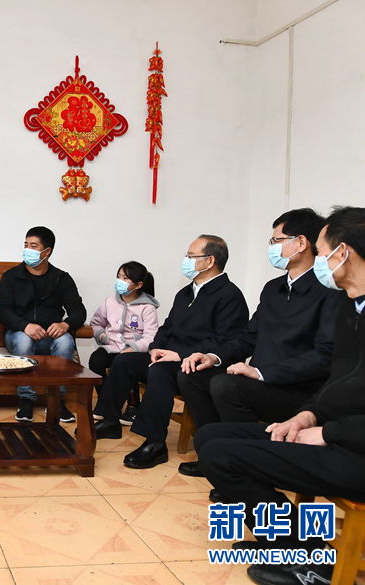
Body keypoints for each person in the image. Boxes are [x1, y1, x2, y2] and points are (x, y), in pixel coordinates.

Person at [196, 206, 365, 585]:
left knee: (223, 454)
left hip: (355, 450)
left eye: (323, 253)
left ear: (344, 252)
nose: (320, 261)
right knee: (210, 437)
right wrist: (307, 416)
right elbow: (339, 382)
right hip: (334, 430)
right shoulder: (353, 310)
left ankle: (313, 562)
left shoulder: (340, 304)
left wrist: (326, 432)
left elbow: (324, 366)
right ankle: (293, 544)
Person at [177, 209, 342, 478]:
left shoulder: (329, 292)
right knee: (193, 374)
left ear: (301, 243)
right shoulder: (273, 288)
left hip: (299, 391)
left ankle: (245, 463)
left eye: (276, 241)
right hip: (262, 383)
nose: (271, 247)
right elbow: (249, 336)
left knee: (226, 385)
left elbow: (324, 355)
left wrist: (261, 372)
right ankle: (215, 451)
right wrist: (212, 356)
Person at [94, 235, 248, 469]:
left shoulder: (229, 296)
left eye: (191, 256)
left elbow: (225, 340)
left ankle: (155, 443)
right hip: (169, 356)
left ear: (210, 261)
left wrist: (180, 354)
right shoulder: (185, 293)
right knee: (124, 361)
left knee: (161, 372)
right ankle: (110, 421)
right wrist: (155, 348)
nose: (186, 260)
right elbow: (167, 327)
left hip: (197, 363)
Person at [0, 227, 87, 422]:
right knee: (23, 340)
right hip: (18, 334)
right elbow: (2, 310)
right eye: (26, 245)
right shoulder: (11, 276)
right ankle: (26, 399)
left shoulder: (61, 278)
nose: (27, 250)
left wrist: (66, 325)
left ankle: (56, 400)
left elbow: (79, 311)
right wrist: (24, 325)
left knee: (65, 341)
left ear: (47, 252)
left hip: (49, 337)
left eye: (33, 246)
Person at [88, 261, 159, 425]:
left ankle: (133, 407)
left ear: (138, 284)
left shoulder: (147, 307)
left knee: (126, 364)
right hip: (111, 346)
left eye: (125, 278)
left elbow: (151, 337)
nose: (120, 281)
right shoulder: (109, 302)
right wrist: (102, 336)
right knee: (96, 361)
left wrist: (134, 347)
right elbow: (96, 323)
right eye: (119, 276)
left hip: (135, 350)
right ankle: (106, 402)